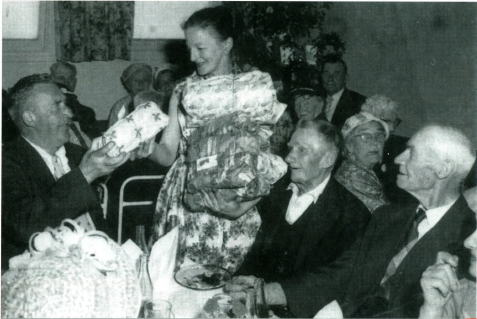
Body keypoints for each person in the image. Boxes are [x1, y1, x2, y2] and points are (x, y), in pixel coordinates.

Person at [227, 124, 476, 318]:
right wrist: (266, 292)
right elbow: (342, 275)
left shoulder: (470, 242)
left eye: (411, 153)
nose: (398, 158)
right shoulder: (389, 217)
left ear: (443, 170)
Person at [138, 6, 285, 273]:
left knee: (228, 289)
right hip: (186, 201)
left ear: (226, 45)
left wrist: (242, 207)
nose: (193, 56)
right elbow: (168, 152)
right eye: (189, 48)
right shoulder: (183, 90)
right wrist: (149, 148)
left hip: (235, 198)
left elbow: (266, 161)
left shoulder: (251, 91)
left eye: (201, 48)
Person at [2, 74, 130, 270]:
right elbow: (24, 225)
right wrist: (85, 174)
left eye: (66, 104)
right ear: (30, 118)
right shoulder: (7, 161)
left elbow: (96, 220)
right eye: (57, 105)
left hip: (95, 266)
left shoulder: (78, 154)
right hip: (37, 274)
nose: (69, 113)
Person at [236, 119, 370, 285]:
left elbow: (333, 282)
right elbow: (255, 253)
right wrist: (240, 280)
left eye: (302, 150)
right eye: (291, 148)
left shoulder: (352, 215)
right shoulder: (274, 189)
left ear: (328, 159)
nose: (289, 157)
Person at [362, 94, 415, 205]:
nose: (392, 128)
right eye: (387, 122)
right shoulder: (359, 147)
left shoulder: (402, 147)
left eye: (395, 122)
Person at [335, 112, 390, 212]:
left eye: (379, 135)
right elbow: (385, 217)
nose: (375, 142)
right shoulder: (354, 176)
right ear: (349, 145)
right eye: (365, 136)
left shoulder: (364, 170)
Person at [49, 62, 101, 143]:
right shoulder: (50, 106)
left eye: (70, 78)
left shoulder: (86, 112)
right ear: (51, 80)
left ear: (75, 81)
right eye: (61, 78)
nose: (66, 82)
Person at [318, 56, 366, 127]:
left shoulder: (359, 102)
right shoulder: (316, 99)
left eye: (336, 74)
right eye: (326, 73)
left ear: (345, 78)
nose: (330, 78)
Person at [108, 63, 153, 127]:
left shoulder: (156, 102)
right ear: (128, 84)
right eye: (136, 80)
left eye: (144, 80)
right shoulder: (120, 106)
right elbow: (112, 131)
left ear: (149, 83)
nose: (141, 84)